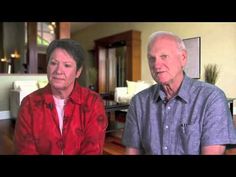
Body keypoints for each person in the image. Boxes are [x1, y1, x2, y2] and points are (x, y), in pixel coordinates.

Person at [122, 31, 236, 155]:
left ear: (183, 58)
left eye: (164, 56)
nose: (156, 65)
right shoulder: (138, 102)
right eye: (151, 59)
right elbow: (132, 151)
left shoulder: (211, 98)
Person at [14, 39, 108, 155]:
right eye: (53, 63)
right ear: (47, 66)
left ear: (78, 72)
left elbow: (93, 149)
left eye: (67, 65)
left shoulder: (93, 102)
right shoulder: (29, 104)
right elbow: (25, 150)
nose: (58, 71)